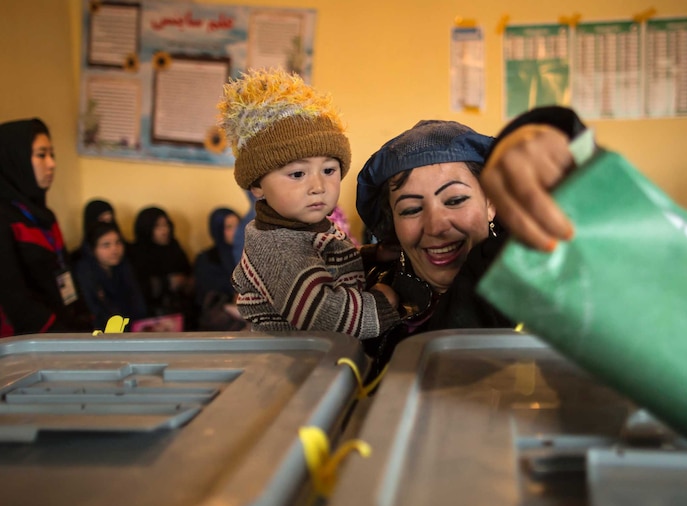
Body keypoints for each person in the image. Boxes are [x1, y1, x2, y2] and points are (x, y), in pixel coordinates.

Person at [217, 68, 399, 336]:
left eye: (329, 171)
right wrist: (383, 303)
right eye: (298, 174)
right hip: (292, 367)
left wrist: (371, 255)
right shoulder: (277, 247)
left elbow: (325, 267)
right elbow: (323, 315)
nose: (318, 187)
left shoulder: (303, 228)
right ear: (257, 185)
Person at [356, 119, 538, 363]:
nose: (436, 227)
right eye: (410, 210)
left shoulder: (543, 294)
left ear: (491, 203)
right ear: (393, 223)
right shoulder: (362, 298)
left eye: (455, 200)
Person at [0, 117, 91, 336]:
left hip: (62, 335)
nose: (51, 164)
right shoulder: (4, 218)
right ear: (15, 159)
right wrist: (62, 337)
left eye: (52, 155)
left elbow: (64, 274)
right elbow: (15, 299)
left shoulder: (44, 216)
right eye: (41, 155)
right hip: (27, 346)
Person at [127, 205, 196, 329]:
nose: (165, 230)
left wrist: (186, 282)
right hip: (150, 317)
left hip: (180, 313)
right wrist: (167, 282)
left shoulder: (174, 247)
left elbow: (188, 273)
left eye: (166, 225)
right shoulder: (136, 253)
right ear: (146, 228)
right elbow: (137, 287)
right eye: (157, 226)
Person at [74, 220, 147, 329]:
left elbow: (137, 305)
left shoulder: (124, 267)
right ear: (92, 249)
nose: (114, 249)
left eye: (118, 242)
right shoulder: (84, 273)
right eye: (106, 245)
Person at [193, 206, 247, 331]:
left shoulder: (249, 253)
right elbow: (207, 296)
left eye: (238, 225)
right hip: (220, 322)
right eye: (229, 227)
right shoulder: (208, 258)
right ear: (217, 230)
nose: (237, 231)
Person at [70, 198, 122, 265]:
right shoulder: (76, 259)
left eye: (110, 220)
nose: (107, 226)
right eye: (102, 220)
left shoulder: (125, 252)